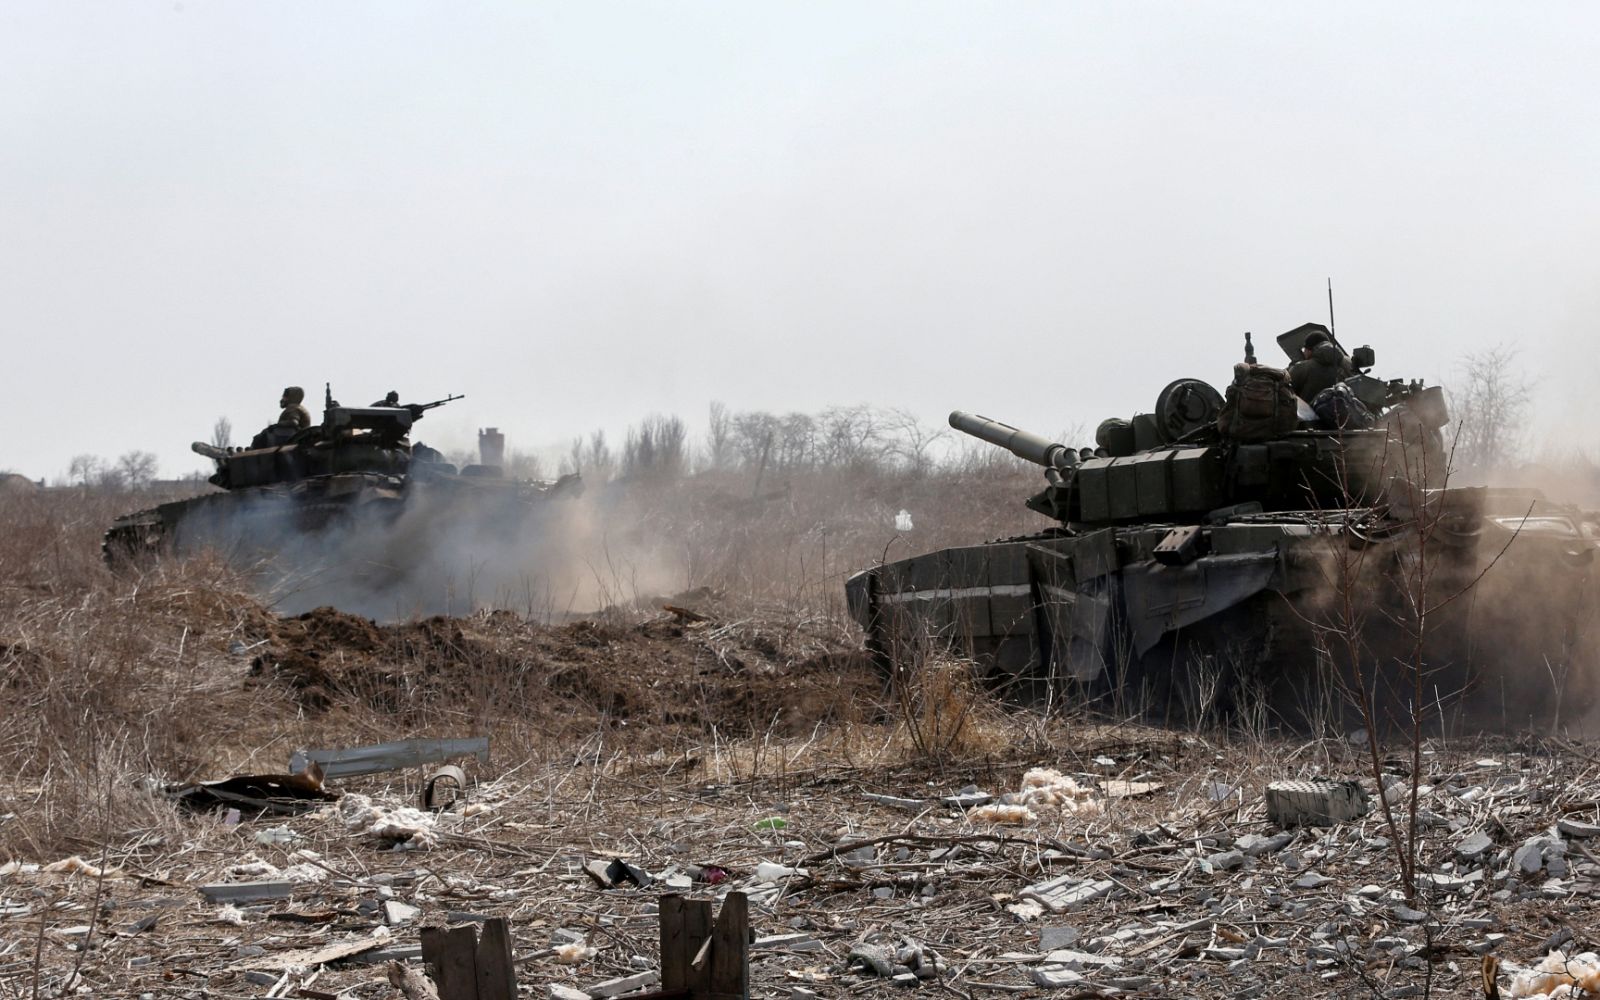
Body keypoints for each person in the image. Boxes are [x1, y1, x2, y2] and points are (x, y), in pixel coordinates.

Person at [1288, 330, 1353, 401]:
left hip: (1310, 411)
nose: (1304, 353)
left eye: (1305, 349)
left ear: (1309, 349)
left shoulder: (1302, 367)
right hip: (1348, 410)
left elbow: (1285, 389)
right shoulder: (1349, 363)